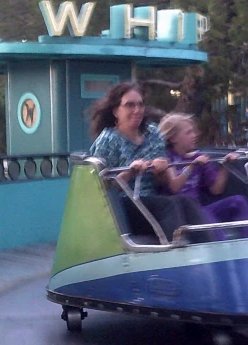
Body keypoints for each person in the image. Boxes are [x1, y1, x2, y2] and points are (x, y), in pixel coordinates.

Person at [88, 83, 213, 243]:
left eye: (140, 105)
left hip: (150, 200)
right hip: (122, 206)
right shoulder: (108, 140)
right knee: (166, 205)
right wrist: (130, 172)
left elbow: (162, 182)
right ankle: (173, 251)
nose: (137, 110)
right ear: (116, 111)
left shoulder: (152, 133)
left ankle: (207, 250)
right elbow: (101, 191)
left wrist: (161, 171)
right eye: (129, 105)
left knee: (185, 202)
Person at [158, 112, 248, 239]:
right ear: (173, 138)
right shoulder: (167, 157)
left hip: (199, 209)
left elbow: (216, 189)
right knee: (204, 214)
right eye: (188, 133)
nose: (194, 136)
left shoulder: (197, 157)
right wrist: (191, 166)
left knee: (238, 201)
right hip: (180, 214)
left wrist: (225, 166)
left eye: (194, 132)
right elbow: (175, 187)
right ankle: (221, 248)